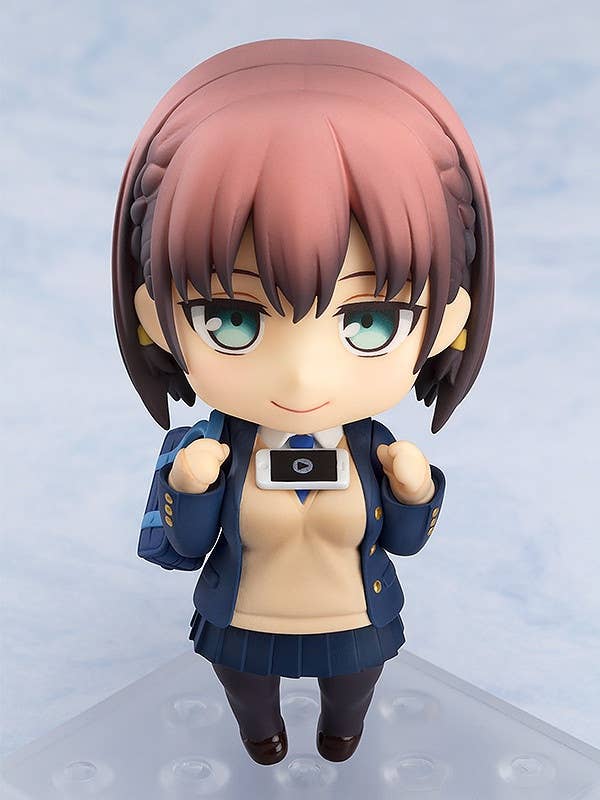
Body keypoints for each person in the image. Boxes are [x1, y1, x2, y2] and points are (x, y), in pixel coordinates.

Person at [112, 37, 494, 766]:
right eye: (231, 319)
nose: (300, 378)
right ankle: (260, 734)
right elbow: (186, 548)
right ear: (153, 316)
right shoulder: (213, 449)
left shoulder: (374, 449)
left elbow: (405, 542)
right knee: (248, 695)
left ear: (450, 318)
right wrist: (190, 486)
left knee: (351, 694)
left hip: (354, 619)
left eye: (369, 321)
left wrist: (414, 490)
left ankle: (342, 730)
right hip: (243, 619)